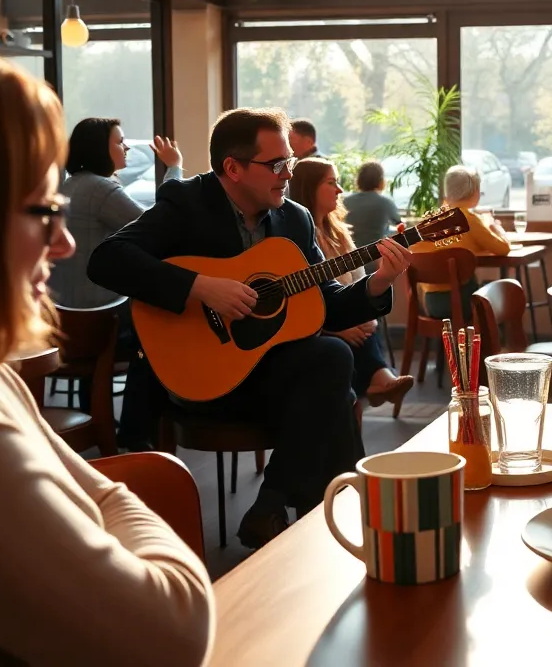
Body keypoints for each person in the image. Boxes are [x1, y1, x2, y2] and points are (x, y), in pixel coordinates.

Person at [0, 43, 213, 666]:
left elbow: (103, 493)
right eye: (44, 211)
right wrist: (108, 505)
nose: (65, 243)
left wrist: (103, 500)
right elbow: (175, 623)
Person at [89, 108, 412, 549]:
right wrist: (201, 287)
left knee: (334, 364)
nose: (286, 174)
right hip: (201, 375)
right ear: (233, 168)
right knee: (336, 396)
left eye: (290, 164)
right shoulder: (186, 204)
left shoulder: (294, 220)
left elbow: (327, 307)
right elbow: (107, 259)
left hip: (268, 377)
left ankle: (276, 508)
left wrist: (378, 282)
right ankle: (345, 525)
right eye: (276, 164)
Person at [289, 158, 414, 416]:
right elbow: (297, 301)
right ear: (309, 188)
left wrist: (365, 307)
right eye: (331, 183)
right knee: (342, 347)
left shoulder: (338, 230)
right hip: (316, 327)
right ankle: (377, 380)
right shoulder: (294, 236)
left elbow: (357, 277)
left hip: (341, 315)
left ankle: (377, 381)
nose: (340, 190)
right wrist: (336, 329)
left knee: (363, 325)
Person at [49, 118, 183, 309]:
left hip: (68, 303)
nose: (127, 148)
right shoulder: (98, 188)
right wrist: (174, 167)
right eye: (120, 142)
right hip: (98, 307)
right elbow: (157, 227)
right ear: (100, 148)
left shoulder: (74, 183)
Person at [408, 164, 510, 320]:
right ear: (475, 192)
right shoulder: (470, 220)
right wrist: (496, 228)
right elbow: (503, 249)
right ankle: (492, 343)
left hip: (429, 303)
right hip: (462, 304)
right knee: (499, 290)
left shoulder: (429, 220)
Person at [343, 159, 401, 248]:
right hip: (377, 256)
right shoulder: (385, 202)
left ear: (359, 180)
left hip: (350, 256)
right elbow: (400, 226)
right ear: (381, 181)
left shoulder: (345, 202)